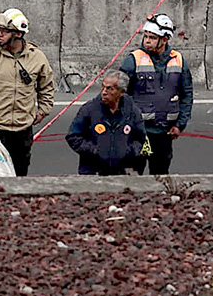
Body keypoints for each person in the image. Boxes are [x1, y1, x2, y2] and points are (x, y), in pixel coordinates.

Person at [0, 8, 55, 176]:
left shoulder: (37, 58)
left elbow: (46, 87)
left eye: (4, 31)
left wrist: (43, 111)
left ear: (18, 34)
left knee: (19, 175)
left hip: (22, 130)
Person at [119, 13, 193, 175]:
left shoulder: (179, 60)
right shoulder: (133, 60)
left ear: (165, 39)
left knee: (160, 175)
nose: (147, 40)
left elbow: (186, 95)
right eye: (145, 36)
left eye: (152, 37)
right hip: (137, 133)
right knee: (132, 175)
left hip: (164, 134)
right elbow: (119, 95)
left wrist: (180, 124)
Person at [66, 71, 146, 175]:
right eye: (103, 87)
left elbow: (140, 138)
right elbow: (73, 136)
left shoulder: (132, 110)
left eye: (110, 89)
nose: (104, 92)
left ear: (121, 92)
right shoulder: (89, 109)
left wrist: (127, 152)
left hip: (123, 171)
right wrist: (94, 151)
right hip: (93, 171)